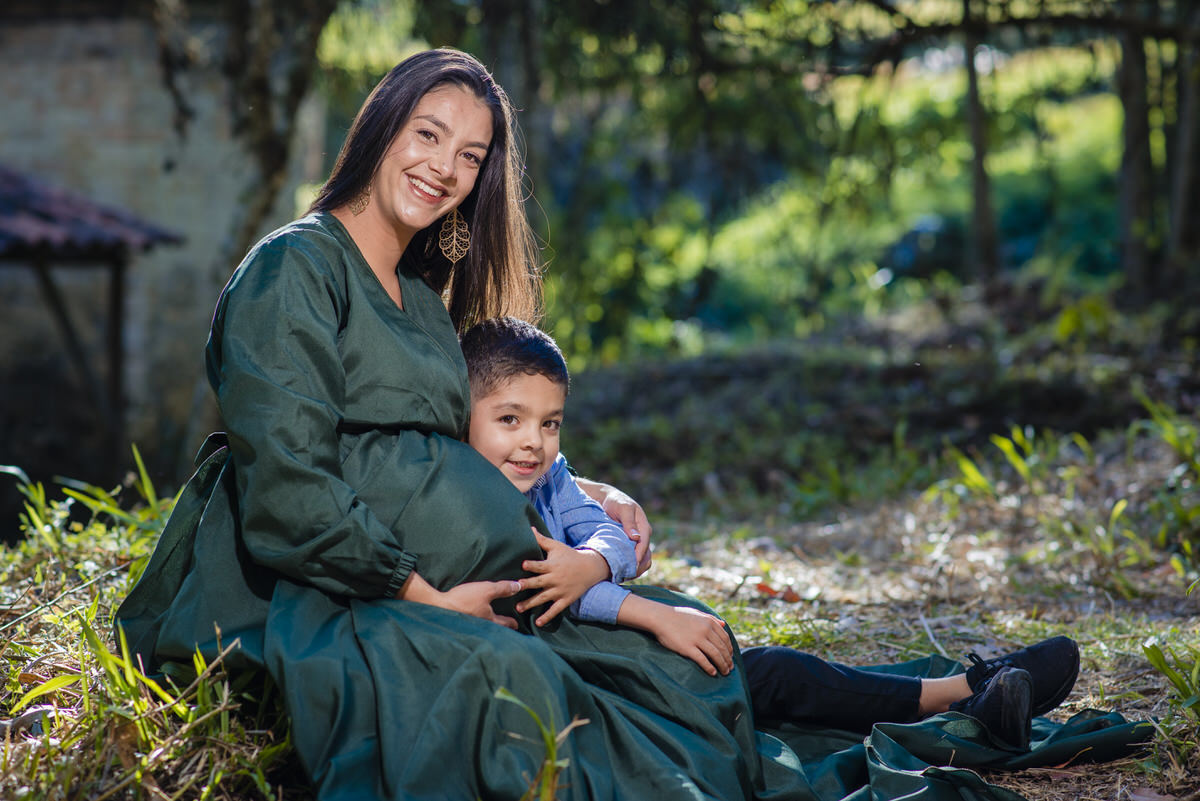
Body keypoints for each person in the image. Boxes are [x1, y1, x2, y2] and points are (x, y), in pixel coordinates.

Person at [116, 48, 1141, 801]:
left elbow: (459, 440)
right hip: (324, 596)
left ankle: (960, 703)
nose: (443, 167)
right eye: (427, 134)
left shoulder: (422, 300)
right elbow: (291, 484)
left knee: (674, 664)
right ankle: (955, 702)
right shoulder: (297, 268)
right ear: (381, 126)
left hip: (483, 577)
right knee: (548, 691)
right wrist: (423, 594)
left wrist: (589, 492)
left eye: (470, 155)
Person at [458, 316, 1082, 751]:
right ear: (463, 415)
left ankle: (966, 695)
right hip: (596, 679)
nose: (533, 442)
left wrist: (594, 563)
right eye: (510, 419)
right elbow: (547, 584)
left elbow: (610, 540)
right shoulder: (467, 500)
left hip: (610, 658)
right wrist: (650, 615)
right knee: (771, 680)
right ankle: (963, 697)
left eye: (550, 423)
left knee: (774, 676)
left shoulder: (549, 478)